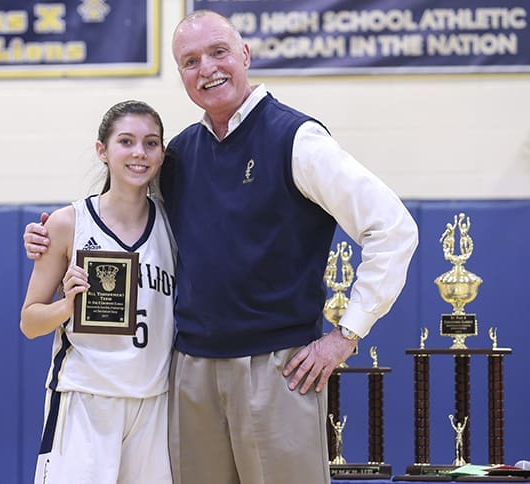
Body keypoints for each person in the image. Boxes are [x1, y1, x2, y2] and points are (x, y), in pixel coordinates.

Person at [24, 10, 419, 484]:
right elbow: (120, 213)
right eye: (190, 61)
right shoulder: (180, 155)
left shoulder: (296, 139)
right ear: (182, 76)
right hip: (188, 371)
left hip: (277, 367)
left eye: (218, 52)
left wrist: (345, 335)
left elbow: (393, 228)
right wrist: (52, 234)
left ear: (245, 55)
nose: (206, 68)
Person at [20, 100, 175, 484]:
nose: (139, 153)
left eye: (151, 143)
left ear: (162, 153)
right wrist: (66, 306)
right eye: (126, 141)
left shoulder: (174, 224)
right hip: (84, 399)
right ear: (102, 151)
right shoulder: (67, 223)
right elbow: (29, 321)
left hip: (153, 402)